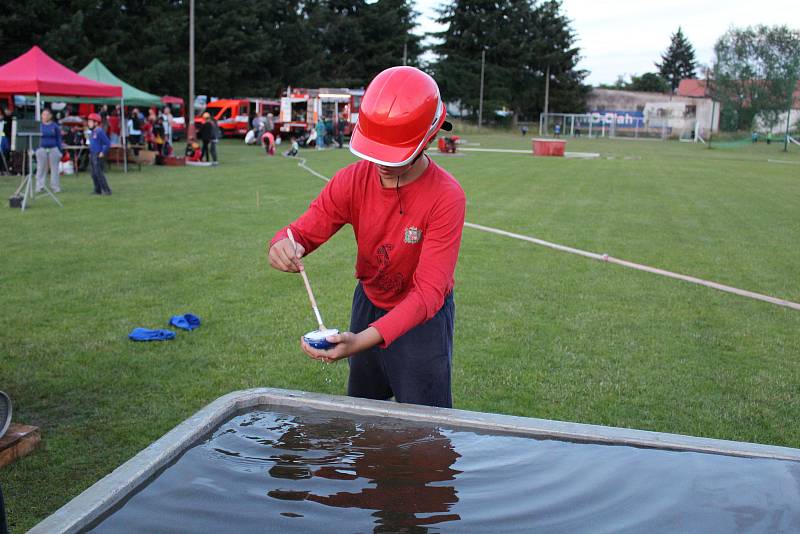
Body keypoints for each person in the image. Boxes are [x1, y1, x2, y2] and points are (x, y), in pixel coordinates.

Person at [268, 66, 466, 409]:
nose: (382, 165)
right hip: (369, 303)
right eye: (375, 152)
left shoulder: (447, 197)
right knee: (363, 418)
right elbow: (301, 231)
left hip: (422, 319)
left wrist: (360, 341)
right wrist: (283, 245)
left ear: (429, 137)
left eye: (394, 154)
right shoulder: (351, 181)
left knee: (425, 430)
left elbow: (428, 294)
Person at [35, 108, 63, 193]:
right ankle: (40, 186)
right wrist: (35, 149)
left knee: (54, 168)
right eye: (43, 114)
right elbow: (35, 137)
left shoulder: (55, 126)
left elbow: (58, 138)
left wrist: (60, 150)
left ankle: (55, 186)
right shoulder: (38, 125)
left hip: (53, 148)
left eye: (47, 114)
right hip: (41, 148)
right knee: (41, 168)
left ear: (50, 116)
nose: (45, 116)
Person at [86, 113, 112, 195]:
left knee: (99, 173)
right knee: (93, 174)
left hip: (98, 154)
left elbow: (107, 143)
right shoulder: (92, 132)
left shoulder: (99, 131)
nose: (88, 123)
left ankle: (107, 190)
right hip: (92, 154)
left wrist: (103, 152)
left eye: (90, 121)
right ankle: (97, 190)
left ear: (96, 123)